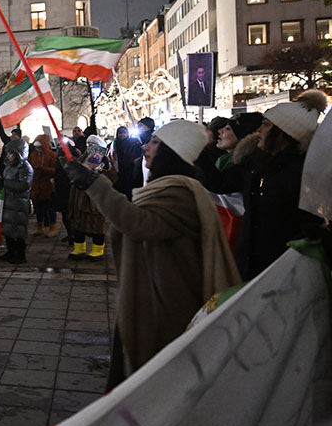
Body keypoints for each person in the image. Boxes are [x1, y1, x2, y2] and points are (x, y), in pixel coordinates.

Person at [65, 120, 241, 388]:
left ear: (173, 151)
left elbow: (138, 223)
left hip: (168, 302)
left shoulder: (178, 191)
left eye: (156, 142)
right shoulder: (173, 186)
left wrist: (95, 185)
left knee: (160, 384)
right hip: (161, 291)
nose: (146, 146)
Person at [234, 91, 327, 280]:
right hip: (252, 268)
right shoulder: (260, 165)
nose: (259, 130)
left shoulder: (301, 175)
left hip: (284, 274)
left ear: (284, 134)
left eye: (266, 125)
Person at [67, 135, 115, 261]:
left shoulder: (103, 158)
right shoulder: (83, 156)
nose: (90, 147)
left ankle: (97, 250)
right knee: (78, 223)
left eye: (92, 145)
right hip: (79, 195)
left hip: (94, 196)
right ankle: (79, 248)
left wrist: (102, 168)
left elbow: (111, 176)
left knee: (96, 224)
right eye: (88, 145)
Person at [0, 137, 33, 264]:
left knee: (18, 230)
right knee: (8, 229)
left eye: (11, 153)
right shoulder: (9, 166)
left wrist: (4, 183)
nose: (8, 156)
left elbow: (23, 185)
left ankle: (20, 254)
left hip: (19, 204)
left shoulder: (25, 168)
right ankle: (10, 251)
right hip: (8, 201)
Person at [28, 135, 58, 237]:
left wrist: (44, 169)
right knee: (38, 207)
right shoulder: (33, 155)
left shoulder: (52, 155)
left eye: (40, 147)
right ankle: (39, 227)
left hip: (48, 184)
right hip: (36, 184)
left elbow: (55, 170)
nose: (38, 149)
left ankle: (52, 227)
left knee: (50, 207)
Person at [111, 126, 142, 200]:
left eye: (124, 133)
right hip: (119, 171)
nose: (122, 135)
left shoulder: (134, 142)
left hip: (130, 171)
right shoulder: (114, 144)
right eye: (120, 133)